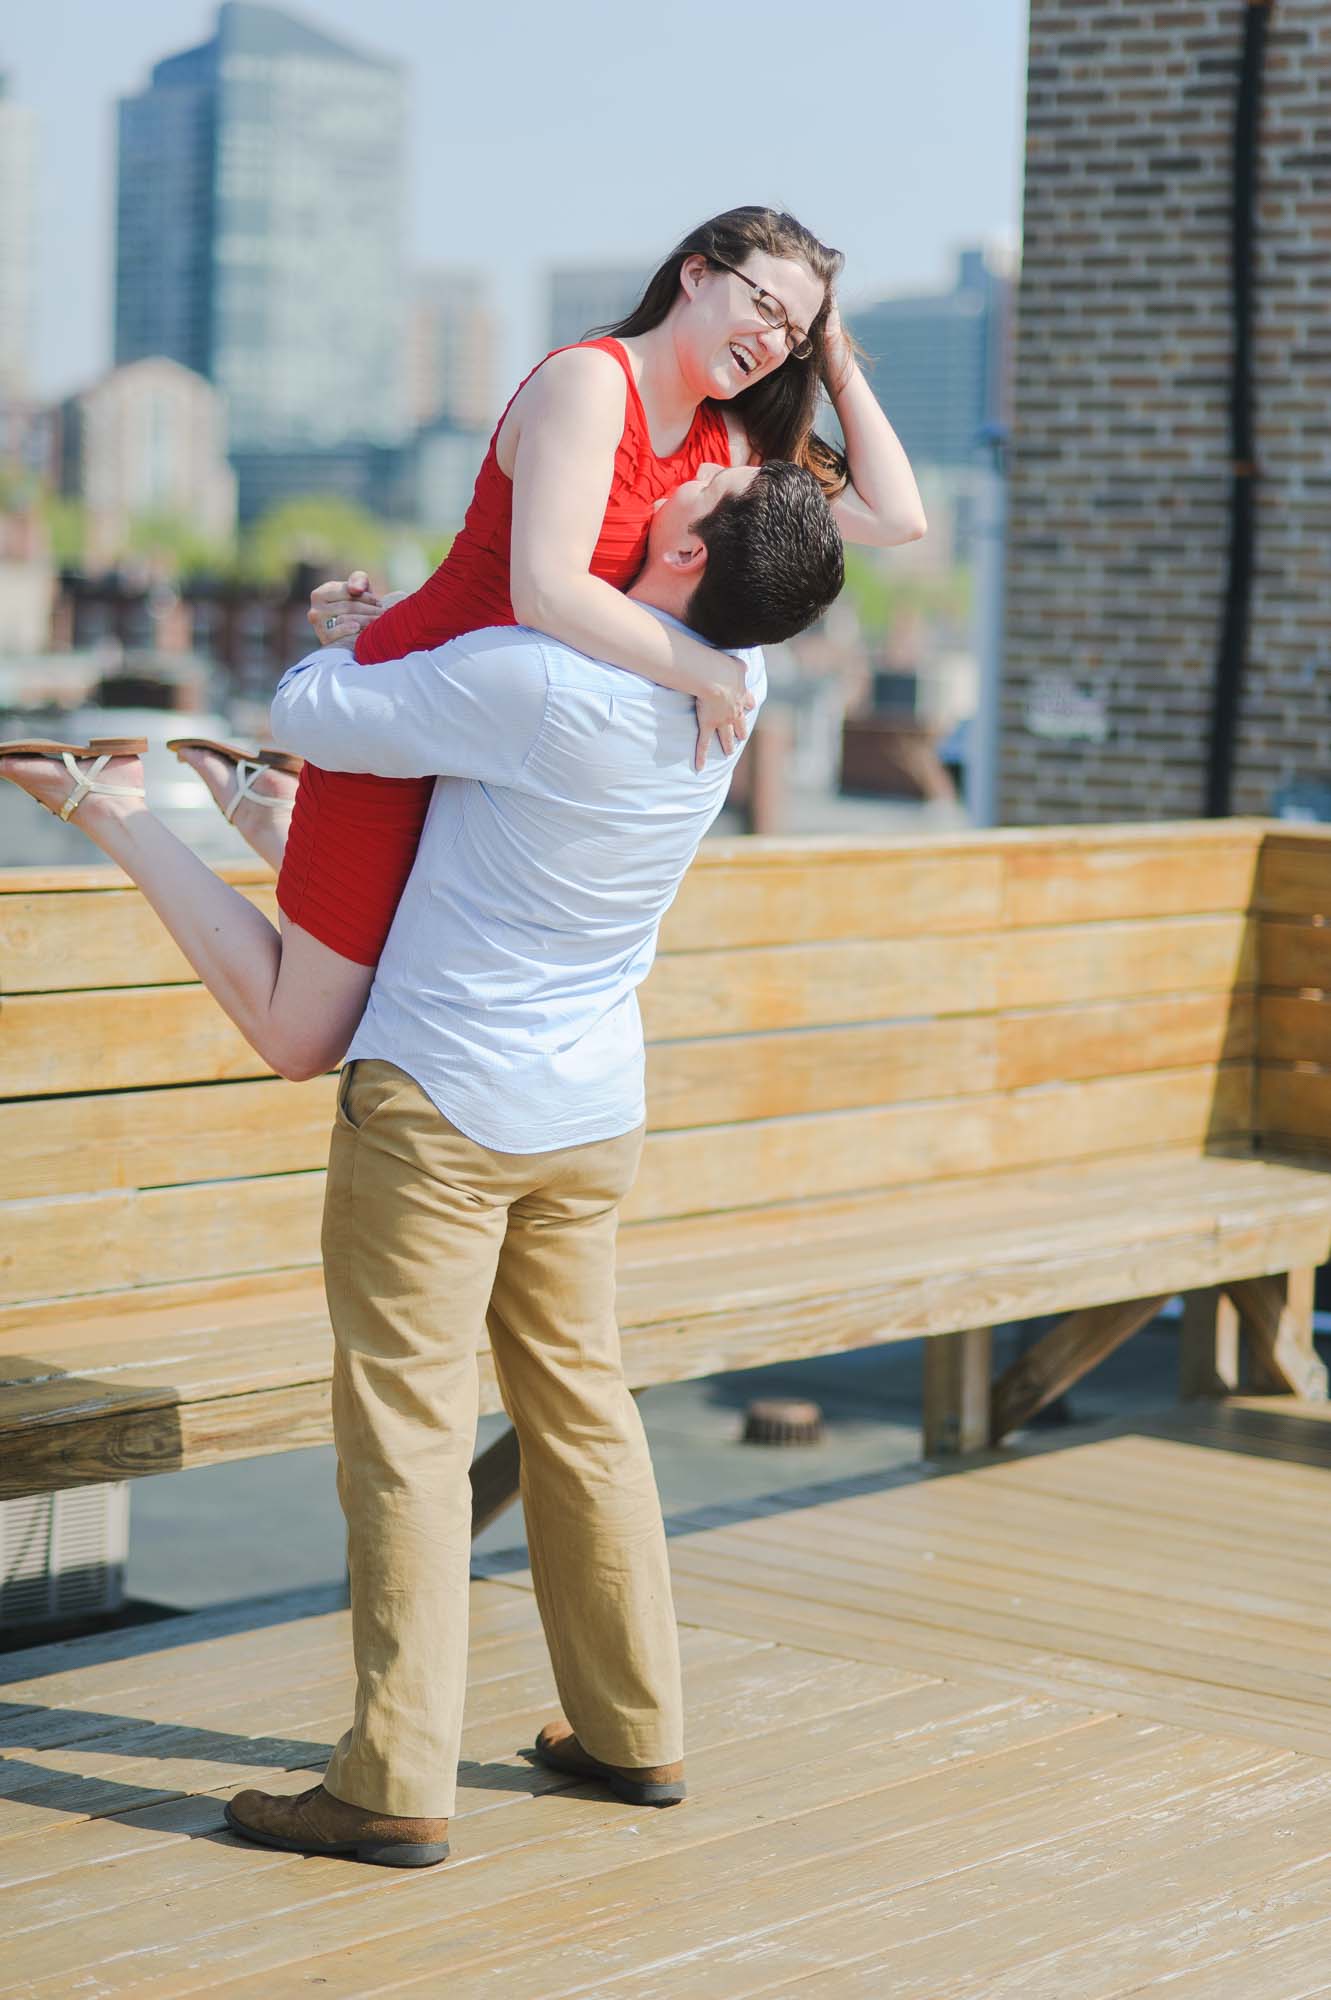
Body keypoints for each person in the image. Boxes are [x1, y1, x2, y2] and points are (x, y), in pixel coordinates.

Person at [202, 458, 845, 1866]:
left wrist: (345, 628)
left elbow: (309, 716)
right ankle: (631, 1728)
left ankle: (387, 1779)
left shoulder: (537, 680)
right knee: (581, 1410)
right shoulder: (733, 687)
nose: (643, 499)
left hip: (442, 1102)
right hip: (588, 1108)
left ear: (679, 563)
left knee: (407, 1441)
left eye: (674, 505)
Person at [0, 208, 923, 1081]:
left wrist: (834, 352)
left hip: (503, 737)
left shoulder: (723, 443)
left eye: (792, 331)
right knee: (301, 1038)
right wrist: (712, 671)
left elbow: (894, 517)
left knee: (410, 959)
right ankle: (112, 801)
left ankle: (267, 803)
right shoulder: (590, 382)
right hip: (409, 711)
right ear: (695, 273)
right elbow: (545, 589)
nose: (773, 340)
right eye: (764, 303)